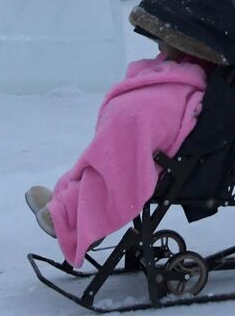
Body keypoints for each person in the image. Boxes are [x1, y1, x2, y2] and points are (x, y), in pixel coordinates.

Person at [23, 40, 208, 268]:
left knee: (128, 134)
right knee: (114, 142)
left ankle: (79, 218)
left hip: (175, 106)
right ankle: (71, 203)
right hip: (184, 72)